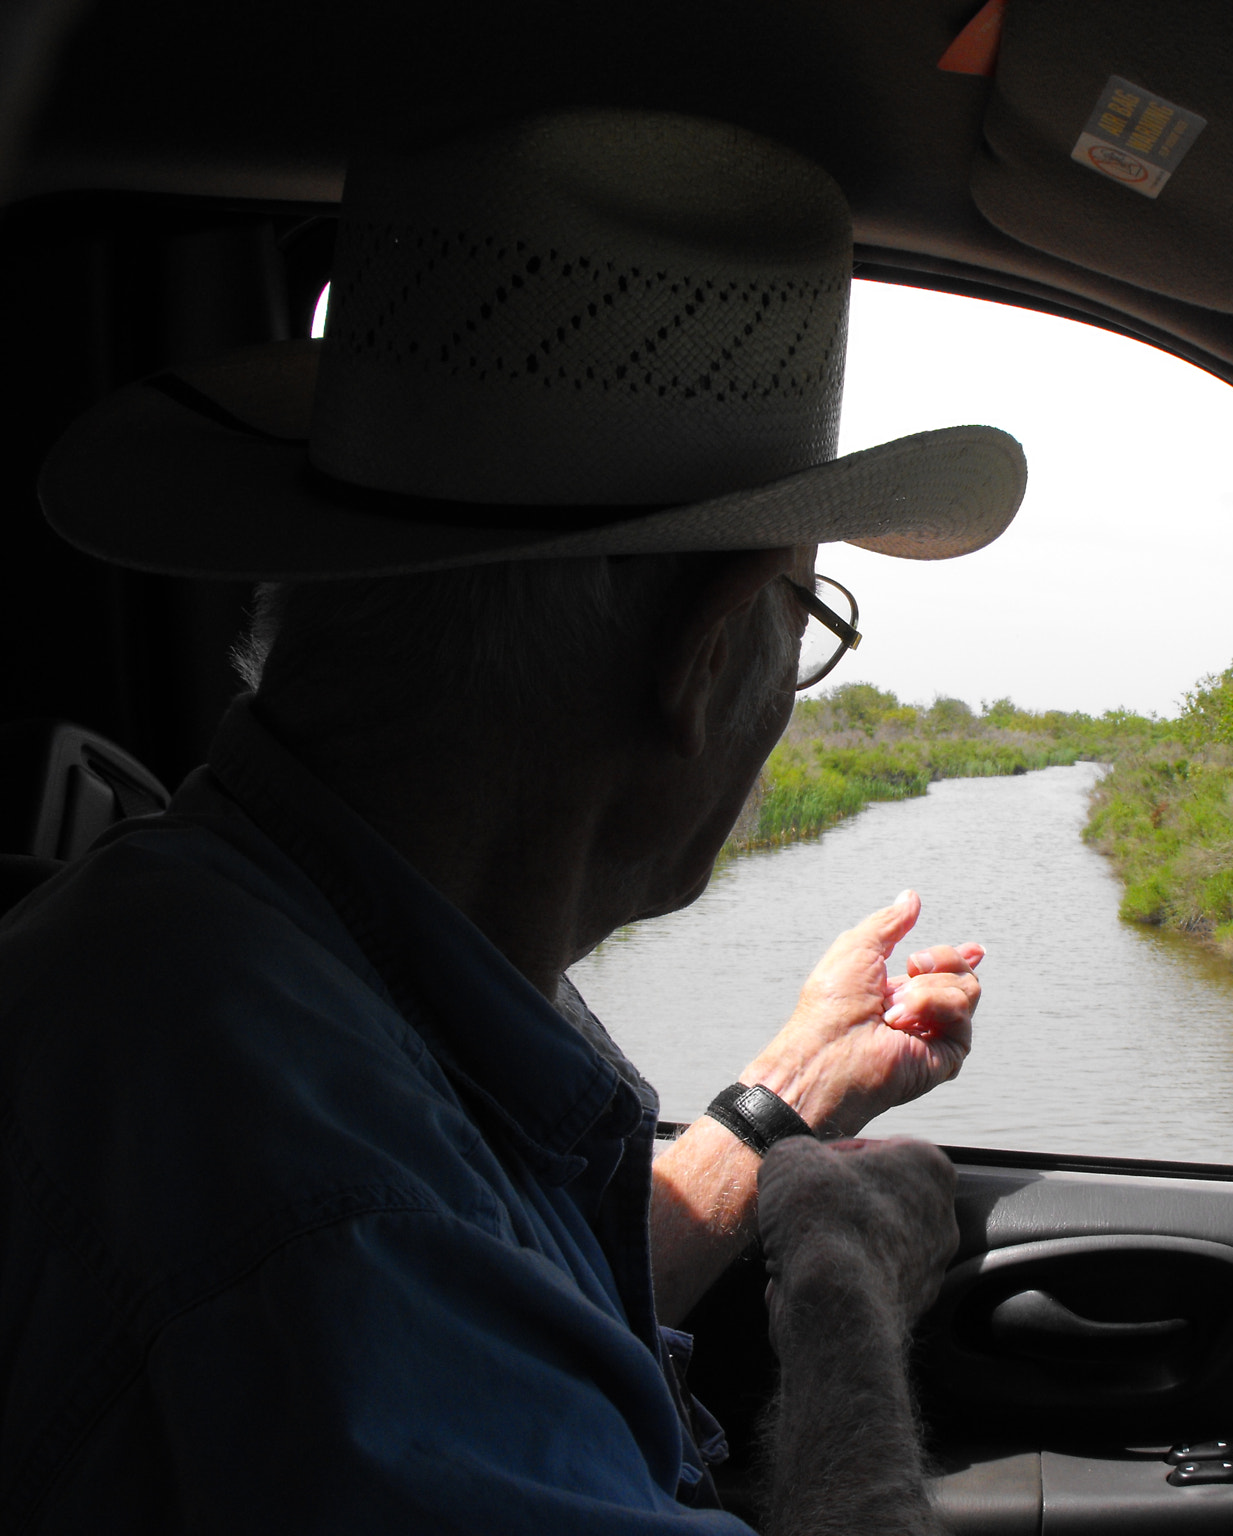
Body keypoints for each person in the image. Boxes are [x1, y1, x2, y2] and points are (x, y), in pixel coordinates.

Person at [0, 111, 1027, 1533]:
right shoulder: (321, 1231)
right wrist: (844, 1287)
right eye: (810, 617)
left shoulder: (240, 956)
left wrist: (780, 1096)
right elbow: (404, 1291)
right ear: (708, 652)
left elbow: (500, 1319)